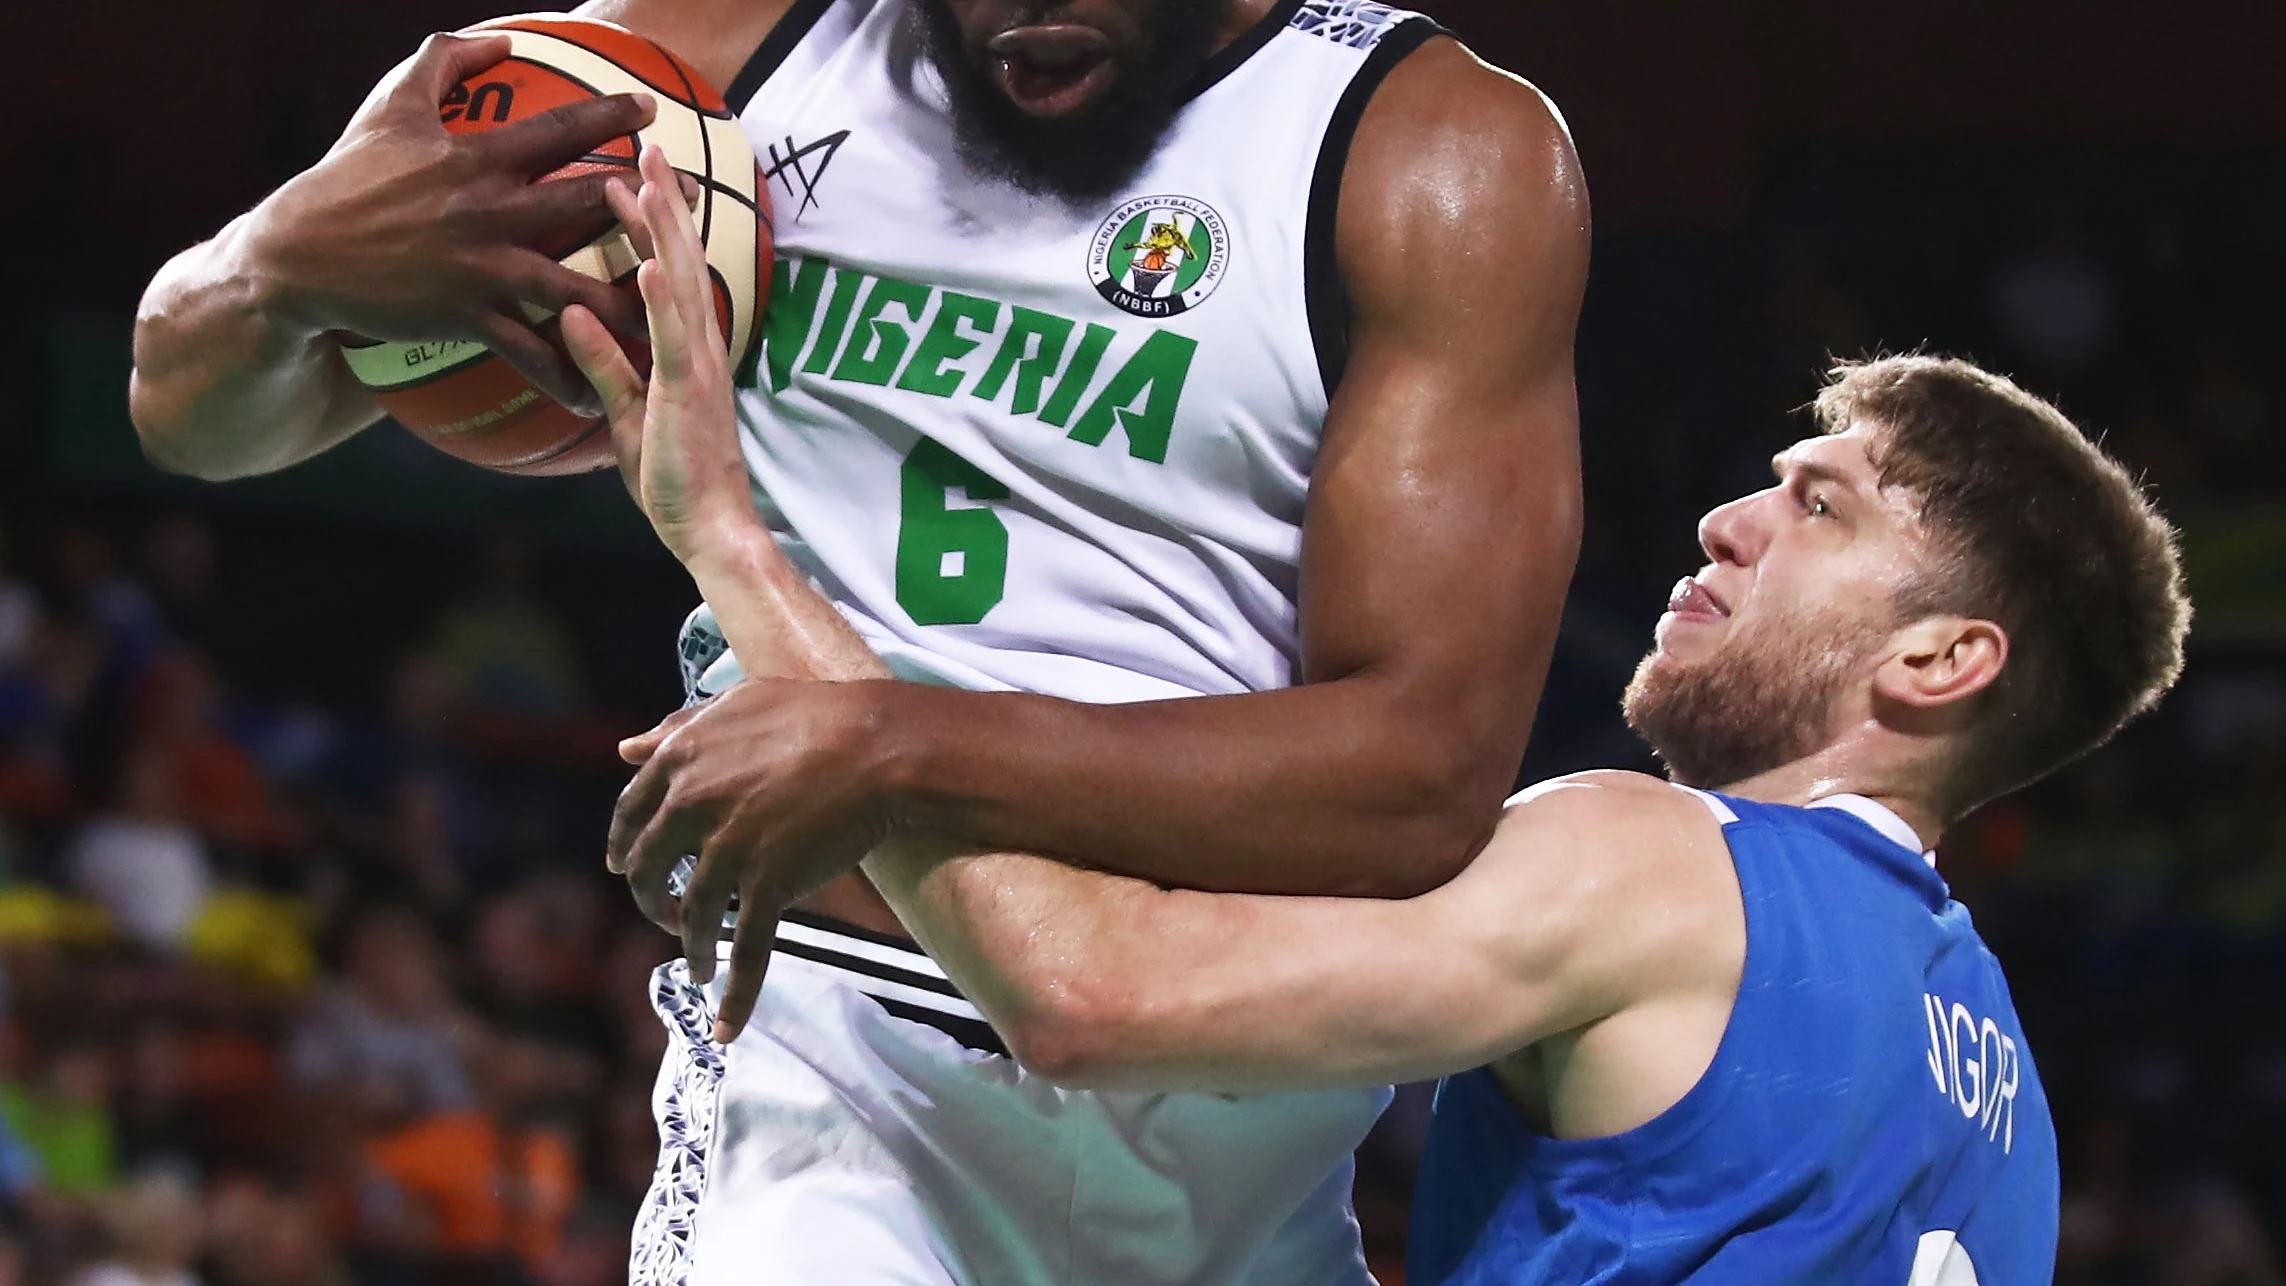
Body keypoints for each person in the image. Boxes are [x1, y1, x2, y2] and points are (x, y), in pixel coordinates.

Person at [127, 0, 1588, 1282]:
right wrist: (275, 268)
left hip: (1242, 1113)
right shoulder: (722, 59)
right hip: (839, 1075)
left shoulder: (1423, 149)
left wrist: (893, 740)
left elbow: (1419, 772)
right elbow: (195, 412)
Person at [592, 191, 2180, 1286]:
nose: (1724, 520)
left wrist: (737, 543)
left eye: (1816, 504)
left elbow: (1083, 997)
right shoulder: (2002, 1095)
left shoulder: (1660, 864)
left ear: (1942, 656)